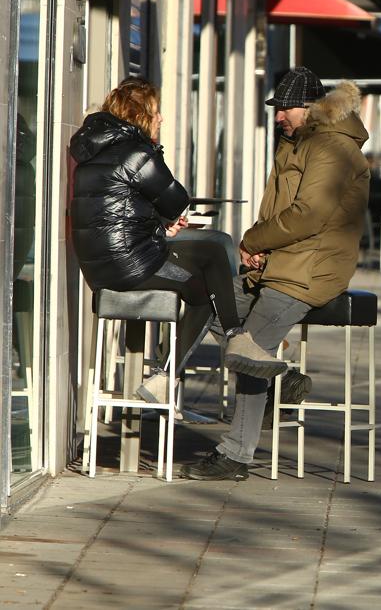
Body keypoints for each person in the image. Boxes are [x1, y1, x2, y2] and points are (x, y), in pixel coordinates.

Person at [181, 67, 370, 481]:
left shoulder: (332, 149)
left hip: (310, 270)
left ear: (311, 108)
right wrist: (260, 252)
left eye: (285, 108)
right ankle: (281, 383)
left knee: (253, 350)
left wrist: (253, 241)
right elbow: (286, 213)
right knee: (210, 300)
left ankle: (236, 455)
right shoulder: (299, 142)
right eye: (277, 108)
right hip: (283, 262)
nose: (279, 115)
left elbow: (308, 215)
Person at [69, 77, 284, 402]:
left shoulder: (94, 150)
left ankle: (218, 347)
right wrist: (155, 156)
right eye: (156, 112)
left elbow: (116, 209)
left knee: (204, 279)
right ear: (141, 113)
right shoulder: (136, 153)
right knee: (213, 255)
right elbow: (176, 200)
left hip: (101, 267)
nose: (161, 119)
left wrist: (157, 223)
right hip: (131, 263)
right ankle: (229, 340)